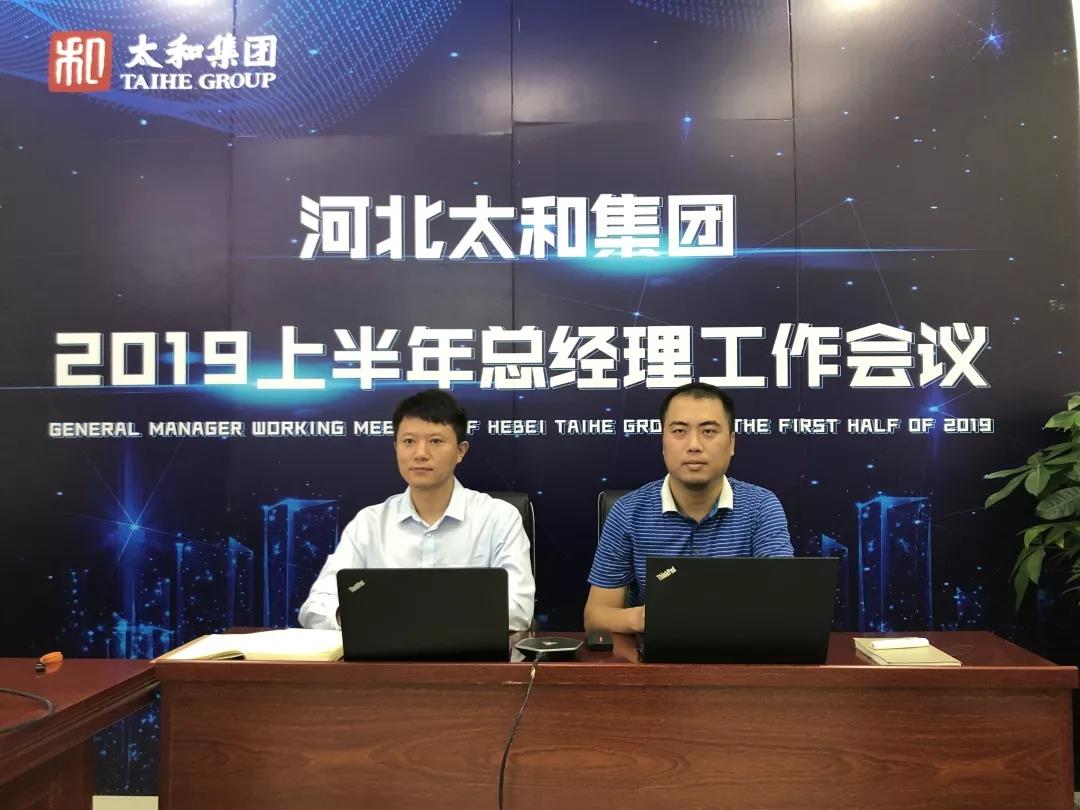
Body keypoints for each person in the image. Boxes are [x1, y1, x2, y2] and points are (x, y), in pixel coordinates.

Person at [299, 390, 535, 631]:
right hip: (384, 652)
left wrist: (407, 617)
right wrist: (356, 617)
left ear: (460, 451)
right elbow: (316, 608)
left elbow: (517, 610)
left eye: (436, 441)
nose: (420, 454)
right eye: (409, 441)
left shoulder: (498, 518)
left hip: (470, 654)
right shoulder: (369, 523)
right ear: (396, 447)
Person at [584, 382, 793, 634]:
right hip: (656, 651)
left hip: (738, 649)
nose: (694, 445)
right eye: (679, 431)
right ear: (663, 442)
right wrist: (645, 618)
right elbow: (595, 616)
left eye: (708, 431)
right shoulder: (628, 512)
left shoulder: (760, 506)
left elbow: (783, 603)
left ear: (732, 443)